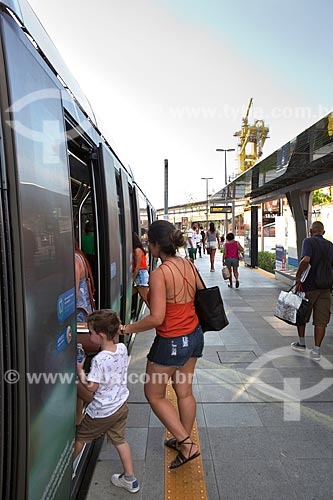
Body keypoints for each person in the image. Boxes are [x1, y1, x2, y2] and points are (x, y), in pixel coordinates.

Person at [120, 220, 204, 469]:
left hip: (171, 341)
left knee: (153, 394)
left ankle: (187, 444)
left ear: (156, 245)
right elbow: (200, 293)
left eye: (149, 242)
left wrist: (127, 328)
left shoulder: (159, 274)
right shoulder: (188, 264)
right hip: (194, 335)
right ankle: (182, 438)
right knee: (184, 391)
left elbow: (157, 318)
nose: (147, 246)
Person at [75, 309, 140, 494]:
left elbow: (91, 387)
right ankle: (130, 479)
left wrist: (80, 370)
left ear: (101, 335)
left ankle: (66, 468)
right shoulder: (121, 348)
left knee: (81, 437)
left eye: (90, 333)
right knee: (120, 440)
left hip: (102, 411)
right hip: (120, 405)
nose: (89, 336)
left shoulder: (99, 360)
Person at [291, 221, 333, 361]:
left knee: (301, 313)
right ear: (323, 232)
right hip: (325, 287)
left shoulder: (308, 242)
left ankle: (302, 343)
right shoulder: (329, 245)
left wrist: (298, 276)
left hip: (309, 286)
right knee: (321, 320)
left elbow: (306, 260)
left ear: (311, 231)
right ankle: (316, 350)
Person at [75, 243, 95, 322]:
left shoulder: (74, 260)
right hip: (84, 307)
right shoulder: (79, 256)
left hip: (79, 311)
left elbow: (74, 294)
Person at [132, 231, 149, 304]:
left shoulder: (137, 251)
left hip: (140, 274)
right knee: (128, 293)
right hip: (140, 274)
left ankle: (156, 314)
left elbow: (137, 266)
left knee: (146, 299)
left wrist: (133, 278)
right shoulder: (137, 250)